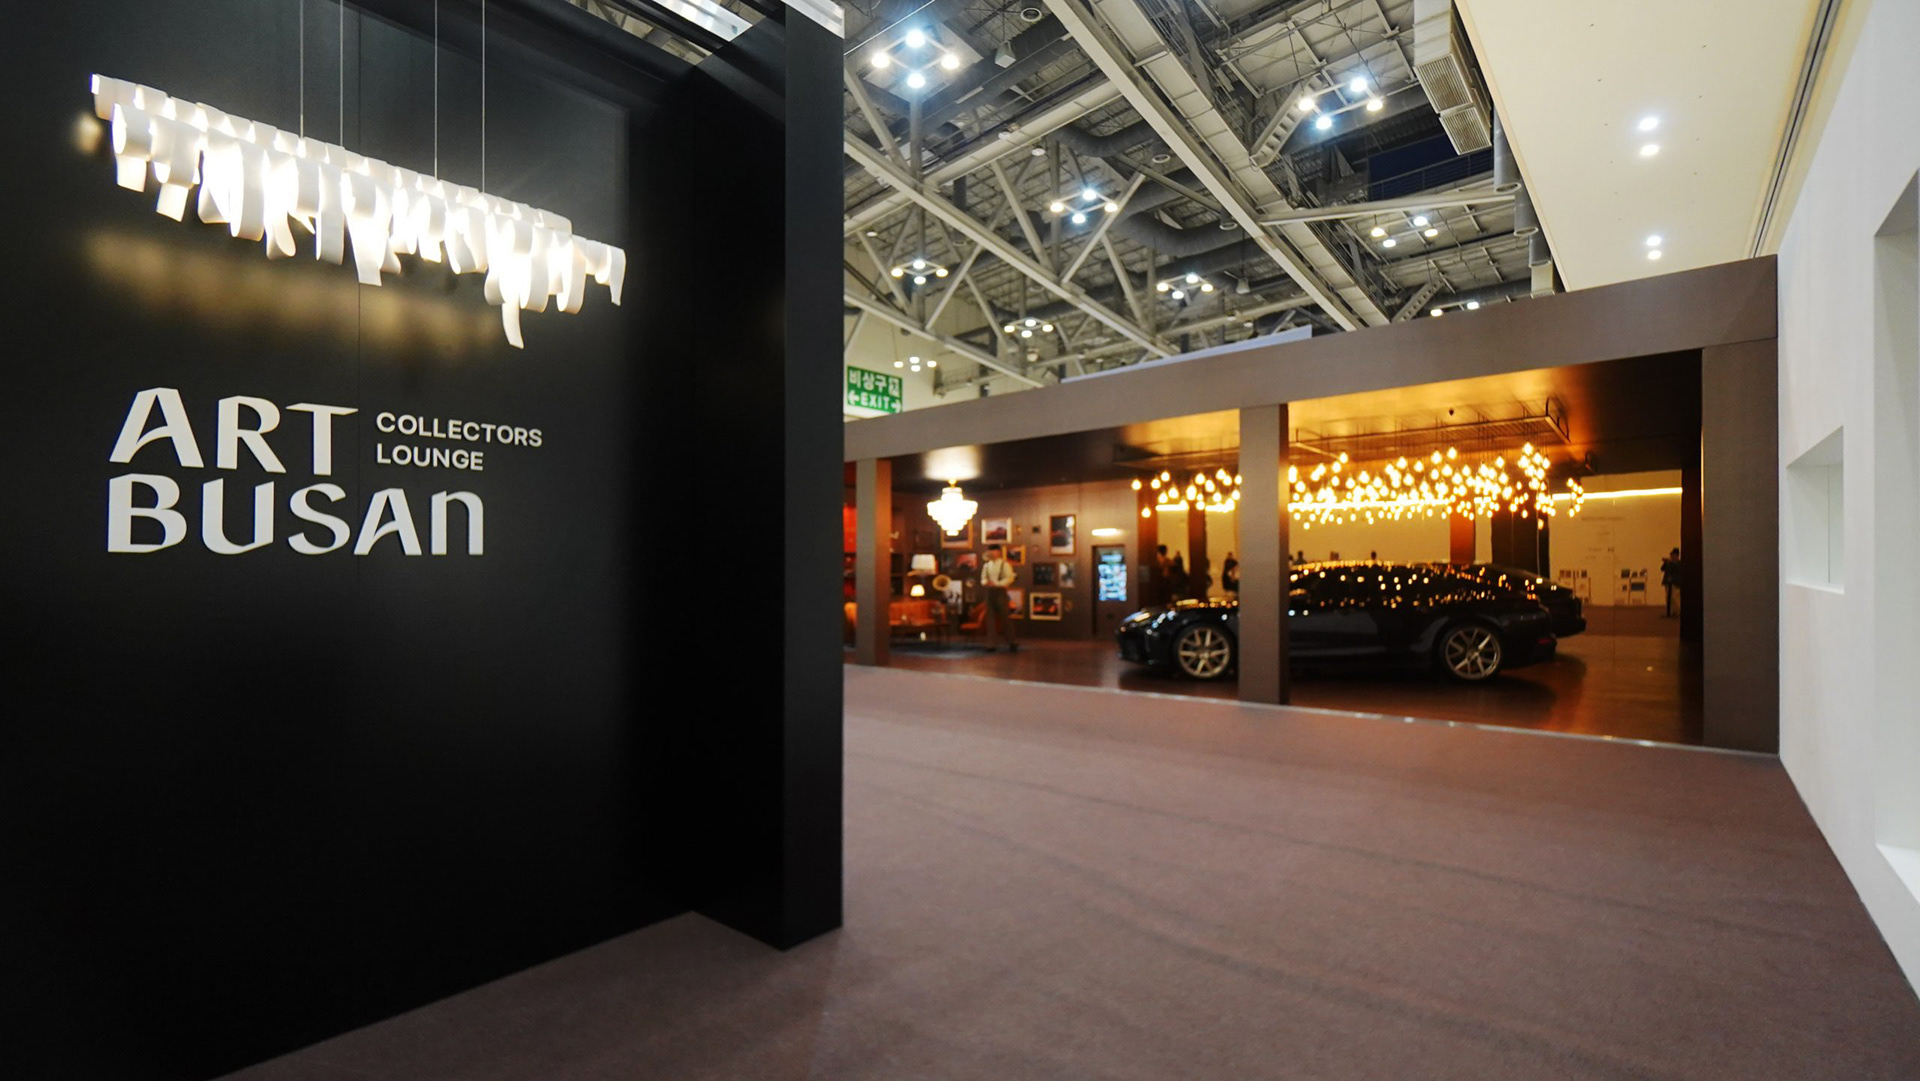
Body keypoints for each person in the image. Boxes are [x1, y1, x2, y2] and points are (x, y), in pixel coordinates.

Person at [979, 545, 1019, 650]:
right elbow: (983, 578)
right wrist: (985, 582)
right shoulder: (986, 565)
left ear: (998, 552)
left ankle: (1012, 641)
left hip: (1000, 591)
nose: (991, 553)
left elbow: (1009, 578)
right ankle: (991, 644)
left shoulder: (1004, 564)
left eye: (993, 551)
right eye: (990, 551)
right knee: (990, 619)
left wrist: (997, 583)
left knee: (1005, 617)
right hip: (990, 592)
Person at [1660, 547, 1682, 618]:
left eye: (1673, 555)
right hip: (1668, 582)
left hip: (1676, 582)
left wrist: (1672, 562)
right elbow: (1662, 569)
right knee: (1668, 598)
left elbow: (1678, 569)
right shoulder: (1669, 563)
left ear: (1677, 555)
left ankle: (1678, 611)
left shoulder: (1679, 563)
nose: (1672, 556)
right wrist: (1666, 563)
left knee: (1675, 598)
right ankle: (1670, 612)